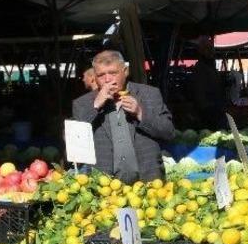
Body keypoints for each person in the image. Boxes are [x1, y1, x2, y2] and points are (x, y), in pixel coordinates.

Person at [72, 50, 174, 183]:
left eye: (113, 73)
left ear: (125, 71)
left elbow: (169, 132)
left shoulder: (149, 95)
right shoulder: (83, 103)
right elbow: (73, 142)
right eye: (101, 75)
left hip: (149, 183)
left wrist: (140, 113)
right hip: (104, 187)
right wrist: (95, 106)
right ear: (95, 77)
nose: (108, 80)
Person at [189, 36, 228, 130]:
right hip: (209, 114)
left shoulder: (211, 67)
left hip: (217, 110)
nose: (211, 52)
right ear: (201, 51)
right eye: (208, 49)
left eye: (211, 49)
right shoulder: (200, 68)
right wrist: (208, 110)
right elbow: (199, 94)